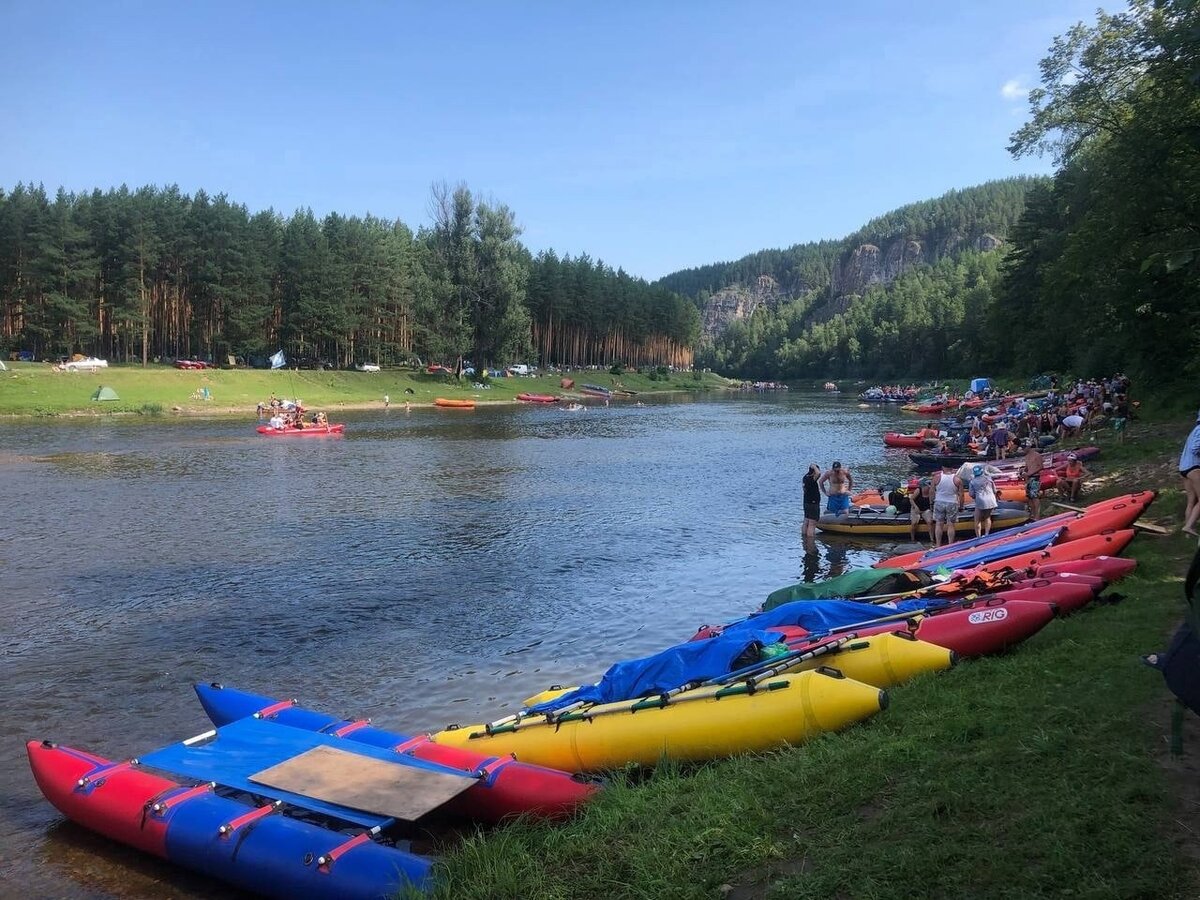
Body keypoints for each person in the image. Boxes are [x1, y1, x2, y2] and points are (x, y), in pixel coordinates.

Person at [930, 462, 961, 548]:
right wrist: (961, 505)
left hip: (939, 501)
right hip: (952, 502)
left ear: (943, 467)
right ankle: (950, 544)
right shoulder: (957, 479)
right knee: (951, 524)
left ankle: (938, 544)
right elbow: (961, 494)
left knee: (939, 523)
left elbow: (932, 491)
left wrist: (931, 502)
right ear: (952, 468)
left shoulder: (936, 478)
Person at [1181, 409, 1200, 537]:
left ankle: (1188, 532)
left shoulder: (1194, 430)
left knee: (1191, 501)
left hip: (1184, 467)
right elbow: (1195, 448)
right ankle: (1188, 526)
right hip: (1194, 467)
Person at [968, 464, 999, 537]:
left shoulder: (972, 482)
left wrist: (975, 497)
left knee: (977, 519)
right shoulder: (989, 479)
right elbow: (995, 491)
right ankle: (986, 534)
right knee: (987, 517)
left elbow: (971, 494)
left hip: (980, 500)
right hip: (991, 500)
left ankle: (978, 536)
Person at [1021, 444, 1045, 520]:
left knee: (1035, 496)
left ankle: (1037, 516)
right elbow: (1028, 467)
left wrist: (1030, 473)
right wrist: (1023, 471)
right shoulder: (1026, 456)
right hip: (1028, 478)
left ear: (1028, 447)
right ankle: (1033, 514)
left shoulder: (1037, 455)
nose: (1023, 449)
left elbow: (1041, 467)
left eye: (1024, 448)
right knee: (1029, 497)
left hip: (1035, 477)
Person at [802, 463, 822, 538]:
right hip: (813, 503)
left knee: (806, 521)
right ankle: (810, 541)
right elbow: (818, 473)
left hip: (806, 502)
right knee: (812, 523)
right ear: (814, 472)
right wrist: (813, 466)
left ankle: (804, 538)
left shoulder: (805, 477)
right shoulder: (811, 479)